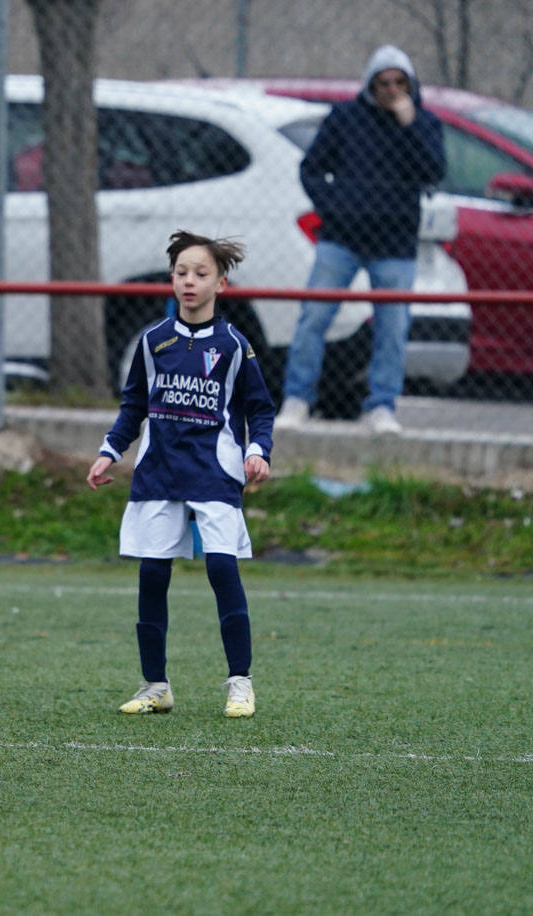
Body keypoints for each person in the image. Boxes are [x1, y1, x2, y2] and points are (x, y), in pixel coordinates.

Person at [87, 231, 274, 718]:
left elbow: (260, 408)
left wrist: (259, 451)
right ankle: (156, 686)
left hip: (214, 471)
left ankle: (240, 683)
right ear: (171, 280)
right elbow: (133, 405)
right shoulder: (153, 341)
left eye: (201, 273)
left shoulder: (234, 345)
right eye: (182, 273)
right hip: (159, 471)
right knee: (152, 574)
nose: (190, 282)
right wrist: (109, 451)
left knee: (221, 567)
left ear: (221, 283)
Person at [274, 44, 446, 436]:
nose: (391, 89)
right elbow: (312, 168)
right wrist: (335, 206)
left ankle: (382, 406)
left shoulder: (424, 123)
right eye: (383, 82)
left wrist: (411, 123)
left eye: (399, 82)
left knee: (392, 328)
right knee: (313, 319)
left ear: (410, 84)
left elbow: (434, 171)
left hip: (395, 242)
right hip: (342, 238)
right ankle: (297, 399)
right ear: (370, 83)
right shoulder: (346, 118)